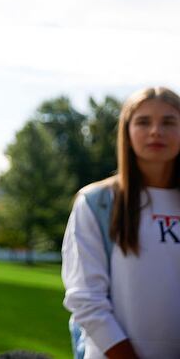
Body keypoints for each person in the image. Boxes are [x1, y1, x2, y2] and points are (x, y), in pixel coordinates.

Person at [62, 86, 180, 359]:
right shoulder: (97, 202)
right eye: (143, 122)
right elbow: (85, 299)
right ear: (126, 132)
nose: (155, 131)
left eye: (169, 122)